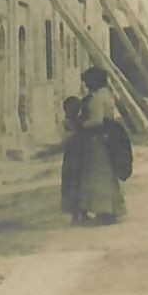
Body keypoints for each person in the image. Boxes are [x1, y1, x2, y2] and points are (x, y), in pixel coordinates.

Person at [74, 66, 128, 224]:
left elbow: (97, 121)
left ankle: (103, 211)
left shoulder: (97, 98)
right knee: (107, 174)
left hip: (96, 139)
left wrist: (80, 126)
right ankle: (110, 209)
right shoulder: (107, 94)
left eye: (87, 81)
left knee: (98, 175)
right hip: (107, 137)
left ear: (94, 81)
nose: (86, 85)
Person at [59, 96, 88, 224]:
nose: (73, 111)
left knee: (82, 183)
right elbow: (64, 139)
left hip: (81, 156)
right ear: (65, 110)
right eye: (71, 109)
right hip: (71, 158)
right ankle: (75, 214)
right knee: (72, 185)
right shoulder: (65, 124)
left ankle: (83, 212)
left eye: (76, 109)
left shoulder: (80, 122)